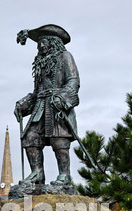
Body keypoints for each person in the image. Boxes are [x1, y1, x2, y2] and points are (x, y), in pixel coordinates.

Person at [14, 24, 80, 186]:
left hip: (56, 106)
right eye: (39, 43)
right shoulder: (41, 63)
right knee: (30, 138)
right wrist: (24, 103)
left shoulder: (65, 56)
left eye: (45, 42)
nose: (41, 45)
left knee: (59, 140)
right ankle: (37, 174)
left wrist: (63, 98)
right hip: (40, 106)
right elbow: (37, 91)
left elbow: (73, 81)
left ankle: (64, 175)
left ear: (54, 42)